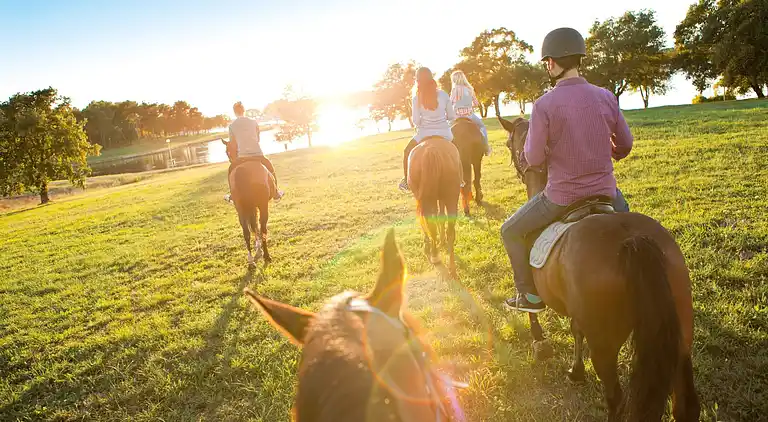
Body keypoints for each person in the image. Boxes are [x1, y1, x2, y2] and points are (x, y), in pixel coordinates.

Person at [501, 27, 632, 313]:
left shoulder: (544, 105)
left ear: (551, 62)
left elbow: (533, 159)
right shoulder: (607, 96)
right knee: (632, 231)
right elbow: (625, 145)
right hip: (607, 193)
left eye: (547, 61)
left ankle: (529, 297)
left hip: (561, 197)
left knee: (509, 230)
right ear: (579, 58)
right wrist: (602, 151)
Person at [398, 67, 459, 192]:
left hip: (424, 134)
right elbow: (452, 116)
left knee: (407, 152)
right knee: (458, 150)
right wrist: (442, 118)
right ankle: (461, 179)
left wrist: (424, 122)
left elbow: (415, 120)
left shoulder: (416, 98)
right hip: (445, 133)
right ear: (432, 78)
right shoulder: (443, 95)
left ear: (418, 80)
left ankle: (406, 181)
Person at [224, 101, 284, 203]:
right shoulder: (253, 122)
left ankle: (232, 195)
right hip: (257, 154)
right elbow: (258, 138)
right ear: (244, 111)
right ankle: (276, 194)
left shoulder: (232, 126)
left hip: (242, 156)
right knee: (269, 167)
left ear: (234, 112)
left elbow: (233, 145)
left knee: (231, 171)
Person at [450, 70, 491, 155]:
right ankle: (486, 148)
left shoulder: (454, 90)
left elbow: (450, 103)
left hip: (456, 116)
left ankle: (447, 151)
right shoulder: (470, 89)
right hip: (470, 116)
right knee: (482, 126)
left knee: (446, 130)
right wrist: (468, 106)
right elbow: (476, 104)